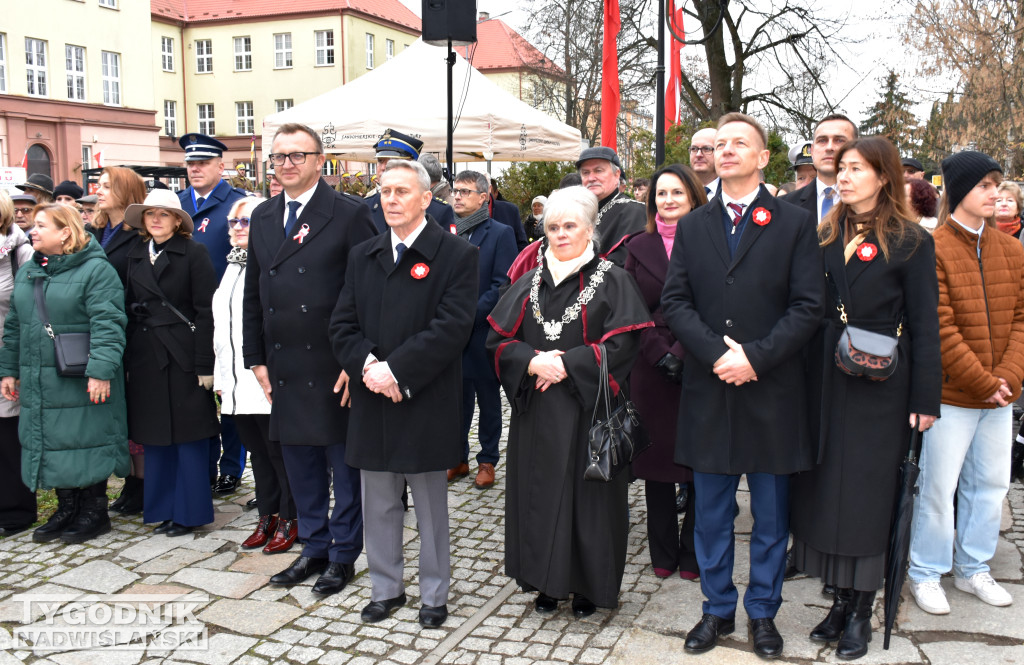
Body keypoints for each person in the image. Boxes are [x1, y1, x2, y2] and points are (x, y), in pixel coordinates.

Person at [661, 112, 825, 659]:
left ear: (762, 158)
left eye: (740, 143)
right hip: (710, 391)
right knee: (709, 515)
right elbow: (675, 303)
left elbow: (808, 308)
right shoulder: (693, 225)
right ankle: (715, 609)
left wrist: (755, 358)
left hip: (771, 391)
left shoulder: (795, 224)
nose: (726, 150)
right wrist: (716, 356)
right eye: (719, 143)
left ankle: (762, 613)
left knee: (772, 517)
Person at [789, 136, 941, 660]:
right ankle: (836, 601)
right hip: (827, 380)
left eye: (856, 168)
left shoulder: (912, 242)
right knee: (826, 488)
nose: (844, 176)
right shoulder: (826, 235)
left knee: (868, 498)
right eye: (842, 168)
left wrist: (926, 399)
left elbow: (925, 327)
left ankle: (861, 611)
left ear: (883, 176)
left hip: (883, 386)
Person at [486, 185, 653, 619]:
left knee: (590, 505)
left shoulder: (615, 279)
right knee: (538, 497)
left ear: (590, 230)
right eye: (553, 227)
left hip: (590, 413)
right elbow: (498, 342)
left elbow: (624, 346)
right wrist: (532, 361)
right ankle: (545, 581)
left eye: (570, 226)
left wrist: (569, 365)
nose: (561, 234)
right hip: (537, 414)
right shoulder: (528, 282)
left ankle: (586, 589)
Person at [331, 159, 479, 628]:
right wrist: (370, 366)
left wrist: (398, 370)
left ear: (426, 199)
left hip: (424, 398)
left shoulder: (456, 255)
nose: (388, 200)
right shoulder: (365, 254)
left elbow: (452, 327)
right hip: (374, 397)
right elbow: (341, 324)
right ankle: (385, 588)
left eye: (400, 191)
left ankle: (434, 595)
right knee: (378, 501)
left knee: (431, 505)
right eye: (383, 191)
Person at [243, 123, 376, 595]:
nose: (287, 164)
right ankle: (314, 546)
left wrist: (357, 358)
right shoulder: (262, 216)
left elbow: (368, 292)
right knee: (299, 463)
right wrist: (255, 357)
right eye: (279, 157)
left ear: (321, 160)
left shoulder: (348, 213)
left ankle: (343, 555)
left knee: (343, 465)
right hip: (284, 365)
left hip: (334, 361)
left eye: (298, 155)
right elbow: (255, 292)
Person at [908, 151, 1024, 616]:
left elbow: (1020, 318)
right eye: (984, 185)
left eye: (998, 183)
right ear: (959, 192)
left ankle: (974, 566)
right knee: (939, 486)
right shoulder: (931, 247)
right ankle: (926, 571)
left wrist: (1010, 378)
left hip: (1000, 396)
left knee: (992, 484)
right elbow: (938, 325)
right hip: (952, 395)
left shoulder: (1013, 250)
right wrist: (981, 381)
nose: (995, 192)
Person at [0, 203, 129, 544]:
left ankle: (93, 511)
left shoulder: (96, 271)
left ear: (65, 233)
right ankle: (66, 506)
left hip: (81, 375)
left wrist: (100, 370)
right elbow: (14, 325)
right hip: (41, 377)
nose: (33, 231)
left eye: (42, 225)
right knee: (54, 439)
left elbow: (109, 324)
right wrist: (8, 370)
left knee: (85, 438)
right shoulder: (32, 269)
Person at [625, 164, 707, 582]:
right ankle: (663, 550)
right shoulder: (637, 246)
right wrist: (660, 353)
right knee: (655, 463)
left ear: (693, 197)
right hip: (651, 366)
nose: (669, 200)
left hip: (699, 361)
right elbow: (629, 309)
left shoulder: (712, 244)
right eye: (661, 193)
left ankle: (694, 552)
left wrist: (684, 350)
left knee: (697, 464)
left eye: (677, 193)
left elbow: (715, 306)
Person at [123, 190, 220, 537]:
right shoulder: (136, 254)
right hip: (147, 356)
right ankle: (163, 508)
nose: (156, 220)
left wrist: (204, 364)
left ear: (177, 220)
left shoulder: (195, 252)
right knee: (156, 438)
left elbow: (207, 311)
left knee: (189, 436)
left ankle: (190, 512)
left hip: (183, 355)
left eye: (164, 214)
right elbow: (129, 306)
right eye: (151, 214)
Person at [213, 196, 298, 554]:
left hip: (264, 380)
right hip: (234, 381)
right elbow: (221, 327)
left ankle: (293, 518)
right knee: (257, 455)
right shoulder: (231, 264)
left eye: (245, 221)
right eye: (232, 222)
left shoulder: (272, 265)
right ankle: (268, 515)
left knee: (279, 454)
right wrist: (219, 376)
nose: (236, 228)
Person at [176, 132, 249, 496]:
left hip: (225, 315)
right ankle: (202, 464)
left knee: (230, 393)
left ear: (221, 166)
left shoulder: (236, 205)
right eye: (190, 163)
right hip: (184, 318)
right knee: (196, 396)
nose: (195, 169)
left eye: (203, 163)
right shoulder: (176, 205)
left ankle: (231, 466)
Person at [444, 170, 517, 489]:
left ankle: (487, 460)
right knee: (454, 401)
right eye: (455, 190)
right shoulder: (443, 231)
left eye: (464, 191)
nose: (457, 196)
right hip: (448, 334)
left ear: (484, 197)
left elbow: (503, 284)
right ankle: (457, 457)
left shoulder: (499, 233)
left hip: (481, 332)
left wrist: (467, 316)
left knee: (488, 401)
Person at [90, 166, 148, 513]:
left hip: (128, 331)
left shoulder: (137, 235)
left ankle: (138, 484)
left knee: (134, 413)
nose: (98, 191)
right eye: (98, 185)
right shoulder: (95, 231)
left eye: (107, 186)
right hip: (99, 332)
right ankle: (126, 480)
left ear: (126, 192)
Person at [0, 193, 38, 537]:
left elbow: (27, 307)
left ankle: (16, 509)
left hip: (8, 350)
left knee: (8, 434)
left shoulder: (18, 251)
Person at [363, 129, 453, 233]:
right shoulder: (366, 207)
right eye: (380, 161)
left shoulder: (438, 210)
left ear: (411, 165)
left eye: (391, 161)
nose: (383, 167)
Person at [782, 114, 858, 224]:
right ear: (812, 151)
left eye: (839, 140)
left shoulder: (873, 205)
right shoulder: (785, 206)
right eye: (822, 140)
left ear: (856, 148)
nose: (829, 147)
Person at [689, 127, 720, 195]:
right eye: (694, 149)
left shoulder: (732, 192)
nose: (698, 154)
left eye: (707, 149)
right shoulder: (679, 190)